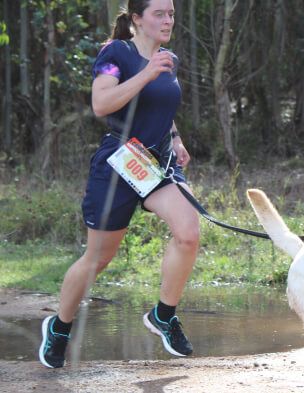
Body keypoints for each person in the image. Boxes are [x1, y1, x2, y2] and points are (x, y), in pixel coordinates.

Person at [38, 0, 200, 368]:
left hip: (156, 163)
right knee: (98, 258)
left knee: (188, 232)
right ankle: (59, 328)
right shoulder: (116, 53)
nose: (168, 20)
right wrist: (146, 73)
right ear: (137, 18)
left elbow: (161, 107)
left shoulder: (167, 58)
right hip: (120, 163)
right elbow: (101, 103)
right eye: (159, 13)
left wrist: (175, 137)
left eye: (171, 13)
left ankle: (163, 315)